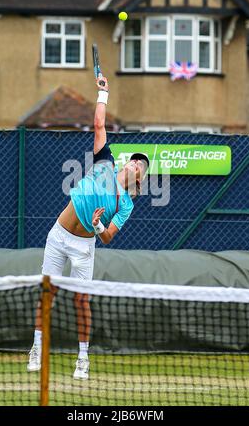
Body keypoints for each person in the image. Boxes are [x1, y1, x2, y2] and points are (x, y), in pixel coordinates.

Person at [27, 75, 149, 379]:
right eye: (134, 160)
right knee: (47, 293)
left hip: (85, 247)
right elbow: (98, 125)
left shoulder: (126, 204)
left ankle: (83, 359)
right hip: (58, 236)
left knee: (81, 300)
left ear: (139, 179)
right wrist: (103, 94)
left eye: (141, 167)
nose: (135, 163)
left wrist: (96, 225)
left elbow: (107, 237)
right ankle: (36, 349)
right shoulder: (104, 162)